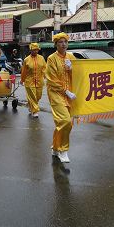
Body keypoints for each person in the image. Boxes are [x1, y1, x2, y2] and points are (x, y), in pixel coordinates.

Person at [45, 33, 77, 163]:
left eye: (65, 42)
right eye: (60, 42)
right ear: (56, 44)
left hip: (70, 94)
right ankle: (63, 150)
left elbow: (80, 75)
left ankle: (55, 147)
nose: (63, 44)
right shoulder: (51, 58)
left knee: (63, 123)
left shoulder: (71, 57)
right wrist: (65, 91)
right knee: (65, 121)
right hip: (56, 93)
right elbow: (51, 79)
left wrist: (72, 69)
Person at [20, 43, 47, 118]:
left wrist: (47, 76)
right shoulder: (26, 60)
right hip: (29, 81)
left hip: (39, 81)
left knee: (38, 96)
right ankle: (35, 111)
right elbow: (24, 71)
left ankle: (30, 105)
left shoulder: (41, 58)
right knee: (32, 96)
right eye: (34, 50)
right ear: (30, 50)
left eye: (37, 50)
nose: (35, 51)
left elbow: (45, 68)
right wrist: (22, 80)